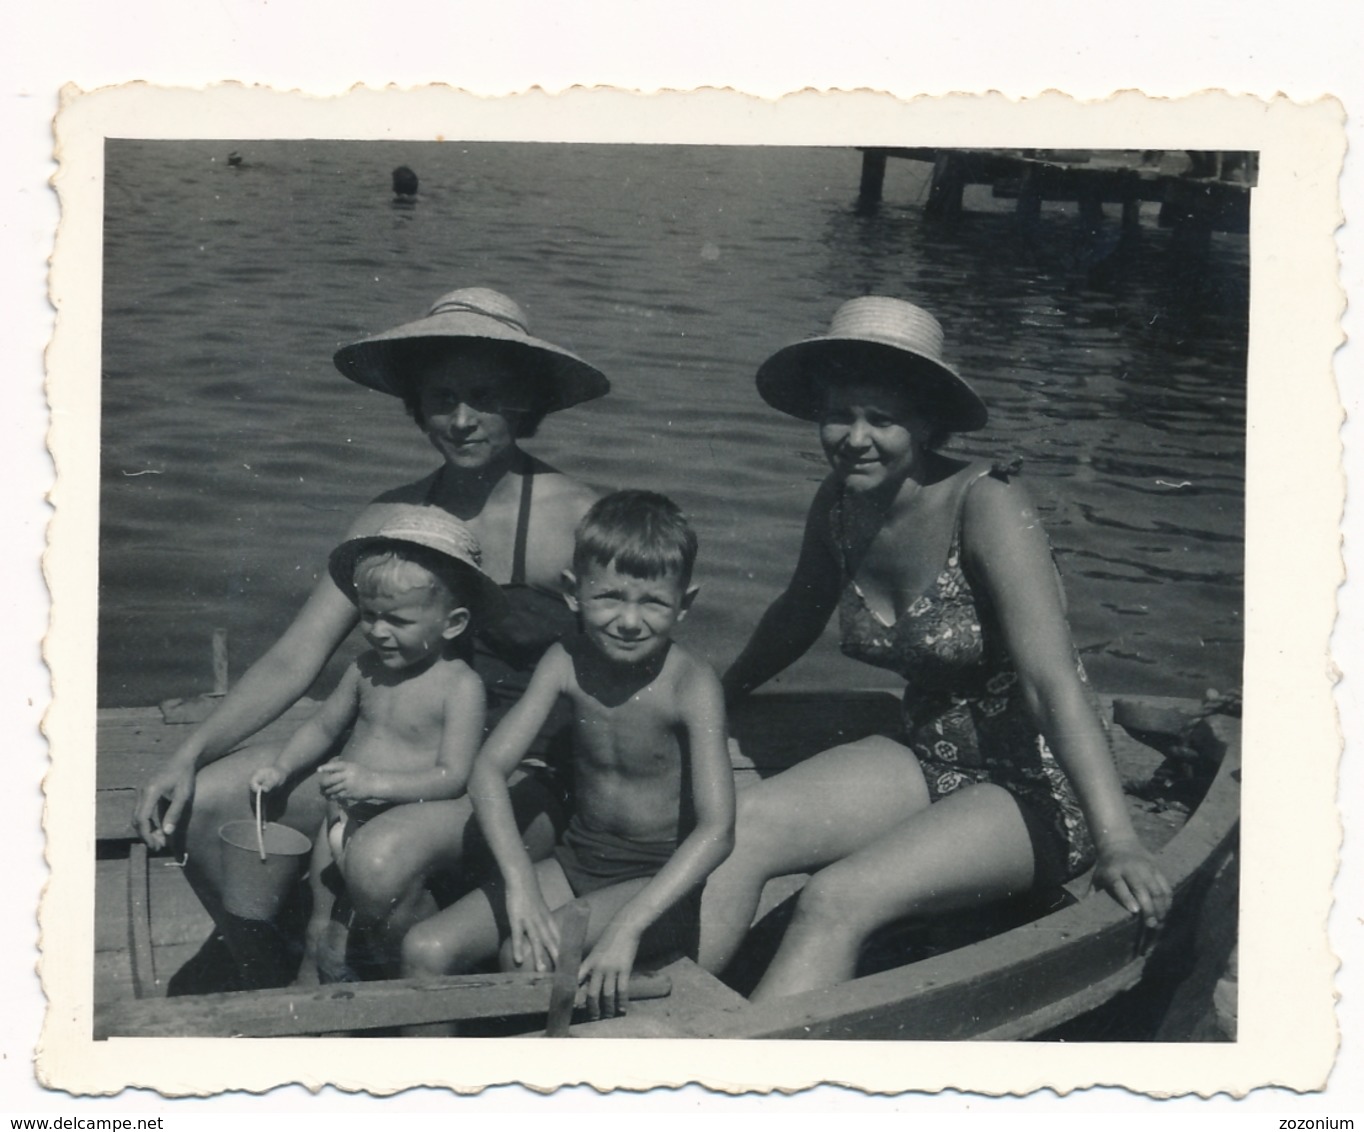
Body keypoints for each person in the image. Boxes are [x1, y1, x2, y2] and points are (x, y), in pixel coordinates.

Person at [130, 287, 609, 989]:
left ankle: (391, 996)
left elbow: (634, 652)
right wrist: (188, 753)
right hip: (388, 754)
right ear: (417, 404)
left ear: (525, 401)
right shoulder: (390, 519)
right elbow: (298, 655)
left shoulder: (577, 518)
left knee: (382, 860)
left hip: (519, 783)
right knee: (202, 804)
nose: (462, 419)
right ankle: (282, 992)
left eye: (485, 396)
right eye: (442, 397)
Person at [698, 296, 1172, 1000]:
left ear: (924, 422)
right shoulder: (839, 501)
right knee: (746, 826)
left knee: (837, 896)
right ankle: (655, 1016)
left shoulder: (988, 505)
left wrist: (1119, 839)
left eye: (881, 419)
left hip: (1037, 786)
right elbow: (798, 612)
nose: (854, 439)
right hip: (926, 754)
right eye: (839, 414)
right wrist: (719, 696)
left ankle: (744, 1089)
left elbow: (1051, 682)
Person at [401, 491, 735, 1024]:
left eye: (652, 602)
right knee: (425, 950)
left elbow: (718, 831)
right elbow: (487, 771)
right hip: (579, 860)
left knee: (522, 959)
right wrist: (522, 885)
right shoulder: (564, 662)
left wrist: (628, 927)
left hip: (660, 886)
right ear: (573, 593)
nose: (629, 621)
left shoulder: (691, 685)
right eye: (610, 598)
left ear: (685, 604)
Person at [249, 508, 502, 982]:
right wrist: (283, 767)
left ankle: (397, 1001)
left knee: (376, 941)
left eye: (398, 620)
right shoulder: (365, 669)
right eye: (369, 615)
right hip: (339, 823)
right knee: (321, 938)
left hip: (400, 831)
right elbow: (324, 729)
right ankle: (314, 1027)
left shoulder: (459, 686)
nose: (378, 630)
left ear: (452, 623)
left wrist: (375, 782)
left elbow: (453, 777)